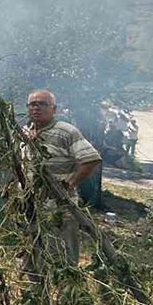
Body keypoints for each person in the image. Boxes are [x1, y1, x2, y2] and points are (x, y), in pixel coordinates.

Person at [23, 89, 102, 264]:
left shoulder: (66, 131)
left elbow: (91, 159)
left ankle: (64, 288)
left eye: (43, 104)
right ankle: (37, 289)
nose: (36, 108)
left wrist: (70, 183)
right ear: (27, 108)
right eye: (33, 104)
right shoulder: (24, 133)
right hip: (32, 207)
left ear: (54, 108)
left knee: (63, 259)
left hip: (60, 207)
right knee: (32, 257)